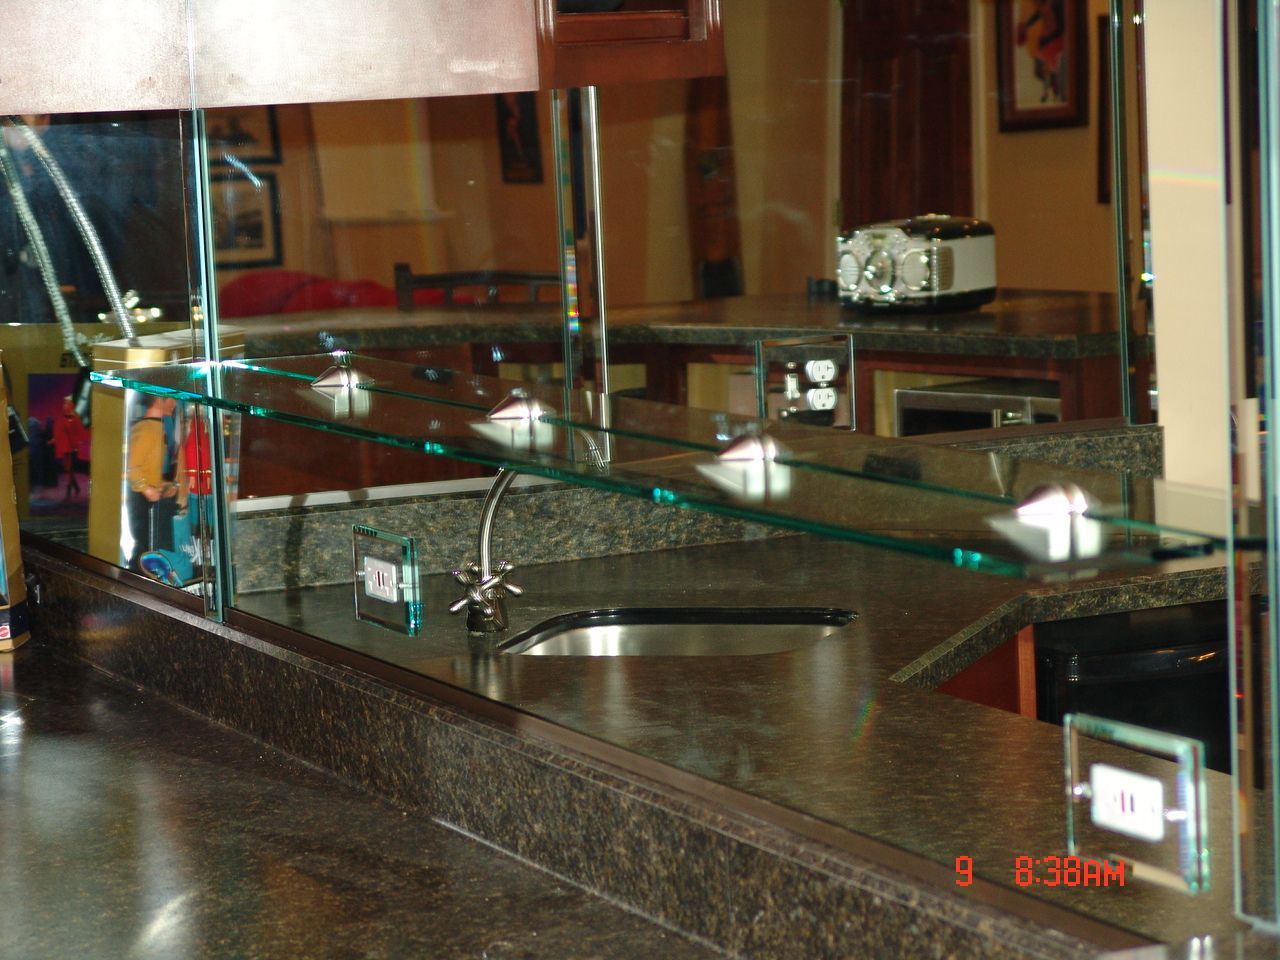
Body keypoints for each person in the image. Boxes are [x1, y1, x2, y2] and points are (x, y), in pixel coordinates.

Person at [125, 394, 183, 577]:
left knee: (148, 549)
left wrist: (165, 485)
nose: (174, 403)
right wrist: (147, 489)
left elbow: (148, 470)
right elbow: (133, 469)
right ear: (159, 399)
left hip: (148, 500)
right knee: (143, 550)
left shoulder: (157, 427)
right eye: (171, 398)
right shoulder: (146, 428)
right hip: (140, 501)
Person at [51, 394, 86, 499]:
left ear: (70, 404)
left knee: (69, 468)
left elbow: (80, 432)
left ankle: (69, 490)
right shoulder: (62, 417)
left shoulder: (75, 418)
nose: (64, 405)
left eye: (66, 403)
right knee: (67, 468)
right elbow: (59, 431)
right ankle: (75, 487)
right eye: (64, 403)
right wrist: (54, 439)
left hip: (72, 446)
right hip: (64, 446)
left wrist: (77, 443)